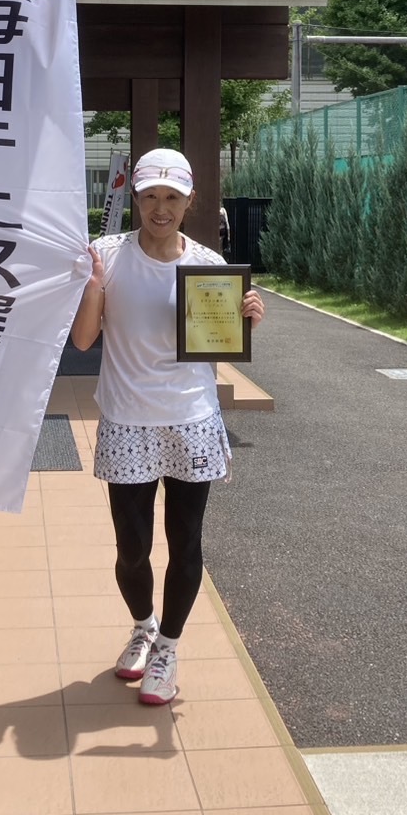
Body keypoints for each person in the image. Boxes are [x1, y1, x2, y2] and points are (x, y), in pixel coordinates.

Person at [70, 147, 265, 705]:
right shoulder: (108, 256)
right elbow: (83, 341)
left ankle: (168, 649)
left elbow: (216, 348)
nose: (161, 208)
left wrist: (245, 321)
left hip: (190, 419)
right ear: (135, 197)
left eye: (172, 197)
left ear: (190, 200)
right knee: (131, 548)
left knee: (186, 542)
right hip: (127, 420)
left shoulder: (208, 267)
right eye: (150, 196)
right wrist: (93, 287)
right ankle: (143, 627)